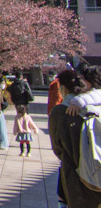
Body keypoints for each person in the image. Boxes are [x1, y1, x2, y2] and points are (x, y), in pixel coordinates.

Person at [49, 68, 100, 208]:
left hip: (75, 174)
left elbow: (57, 148)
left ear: (63, 88)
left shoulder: (60, 111)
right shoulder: (96, 107)